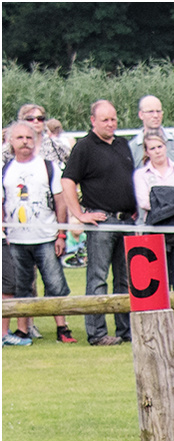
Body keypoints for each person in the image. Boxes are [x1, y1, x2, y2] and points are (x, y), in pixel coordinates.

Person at [61, 100, 136, 345]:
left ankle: (126, 330)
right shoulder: (84, 147)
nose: (111, 124)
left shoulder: (122, 144)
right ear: (93, 121)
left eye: (113, 119)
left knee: (125, 280)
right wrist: (80, 214)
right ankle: (98, 333)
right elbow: (68, 181)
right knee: (98, 278)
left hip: (126, 222)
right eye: (105, 120)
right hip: (101, 222)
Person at [4, 121, 73, 346]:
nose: (25, 142)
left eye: (29, 138)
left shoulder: (48, 166)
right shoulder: (6, 170)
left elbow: (60, 201)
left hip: (46, 237)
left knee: (55, 284)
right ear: (11, 141)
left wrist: (61, 234)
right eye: (20, 138)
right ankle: (23, 330)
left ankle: (62, 328)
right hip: (16, 240)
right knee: (22, 287)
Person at [132, 132, 174, 339]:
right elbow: (144, 202)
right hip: (156, 231)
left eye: (159, 147)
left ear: (165, 147)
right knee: (158, 281)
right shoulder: (141, 174)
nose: (157, 152)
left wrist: (160, 198)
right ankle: (162, 326)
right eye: (152, 148)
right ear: (146, 151)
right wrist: (173, 199)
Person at [135, 96, 174, 164]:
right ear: (141, 115)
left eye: (158, 111)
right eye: (150, 112)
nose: (156, 115)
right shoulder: (133, 148)